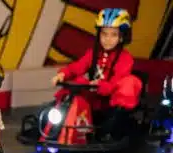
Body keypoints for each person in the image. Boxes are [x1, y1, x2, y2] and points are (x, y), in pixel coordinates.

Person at [50, 8, 142, 140]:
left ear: (122, 37)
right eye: (104, 34)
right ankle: (55, 122)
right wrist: (63, 74)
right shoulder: (93, 53)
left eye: (113, 35)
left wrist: (100, 85)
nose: (107, 39)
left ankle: (110, 129)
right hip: (93, 97)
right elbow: (77, 67)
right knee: (78, 82)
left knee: (129, 82)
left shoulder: (125, 59)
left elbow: (116, 82)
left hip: (111, 102)